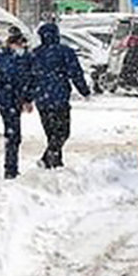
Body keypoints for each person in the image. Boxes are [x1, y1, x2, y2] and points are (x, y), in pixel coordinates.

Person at [30, 23, 91, 169]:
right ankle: (49, 158)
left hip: (42, 99)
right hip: (60, 97)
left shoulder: (35, 53)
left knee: (51, 132)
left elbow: (28, 76)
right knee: (63, 131)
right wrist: (84, 90)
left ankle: (54, 160)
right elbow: (75, 72)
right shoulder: (65, 52)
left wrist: (27, 95)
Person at [0, 32, 34, 179]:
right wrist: (25, 98)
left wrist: (27, 98)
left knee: (13, 135)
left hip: (11, 100)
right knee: (13, 135)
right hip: (9, 100)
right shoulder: (10, 58)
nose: (22, 47)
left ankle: (11, 167)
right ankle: (10, 168)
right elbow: (17, 77)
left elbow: (28, 78)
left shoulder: (15, 58)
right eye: (19, 44)